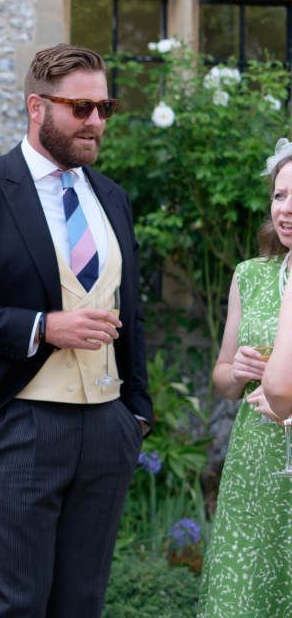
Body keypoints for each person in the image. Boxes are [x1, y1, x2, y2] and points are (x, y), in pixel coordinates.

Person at [0, 43, 153, 617]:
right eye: (80, 107)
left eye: (105, 107)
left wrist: (136, 415)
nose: (96, 122)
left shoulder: (111, 198)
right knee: (14, 605)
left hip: (106, 427)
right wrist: (43, 326)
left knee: (81, 604)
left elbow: (134, 312)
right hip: (21, 423)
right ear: (36, 107)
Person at [198, 139, 292, 616]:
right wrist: (235, 373)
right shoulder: (250, 275)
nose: (287, 208)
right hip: (255, 456)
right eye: (279, 195)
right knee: (246, 588)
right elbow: (222, 376)